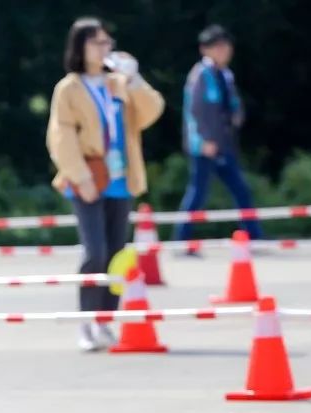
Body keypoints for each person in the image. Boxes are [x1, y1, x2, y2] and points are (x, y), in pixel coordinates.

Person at [47, 18, 164, 351]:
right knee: (94, 251)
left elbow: (152, 110)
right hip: (88, 177)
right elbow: (61, 136)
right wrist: (80, 177)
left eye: (106, 42)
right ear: (80, 47)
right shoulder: (68, 88)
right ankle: (86, 321)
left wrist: (135, 77)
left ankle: (105, 320)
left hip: (120, 179)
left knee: (116, 255)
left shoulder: (118, 83)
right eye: (97, 42)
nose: (104, 48)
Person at [173, 25, 263, 248]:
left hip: (225, 143)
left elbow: (233, 104)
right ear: (206, 49)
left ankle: (254, 235)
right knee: (198, 193)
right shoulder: (200, 75)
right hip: (203, 146)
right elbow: (194, 111)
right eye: (218, 47)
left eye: (226, 46)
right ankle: (181, 239)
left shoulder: (225, 75)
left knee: (240, 189)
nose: (224, 51)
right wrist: (203, 141)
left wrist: (236, 118)